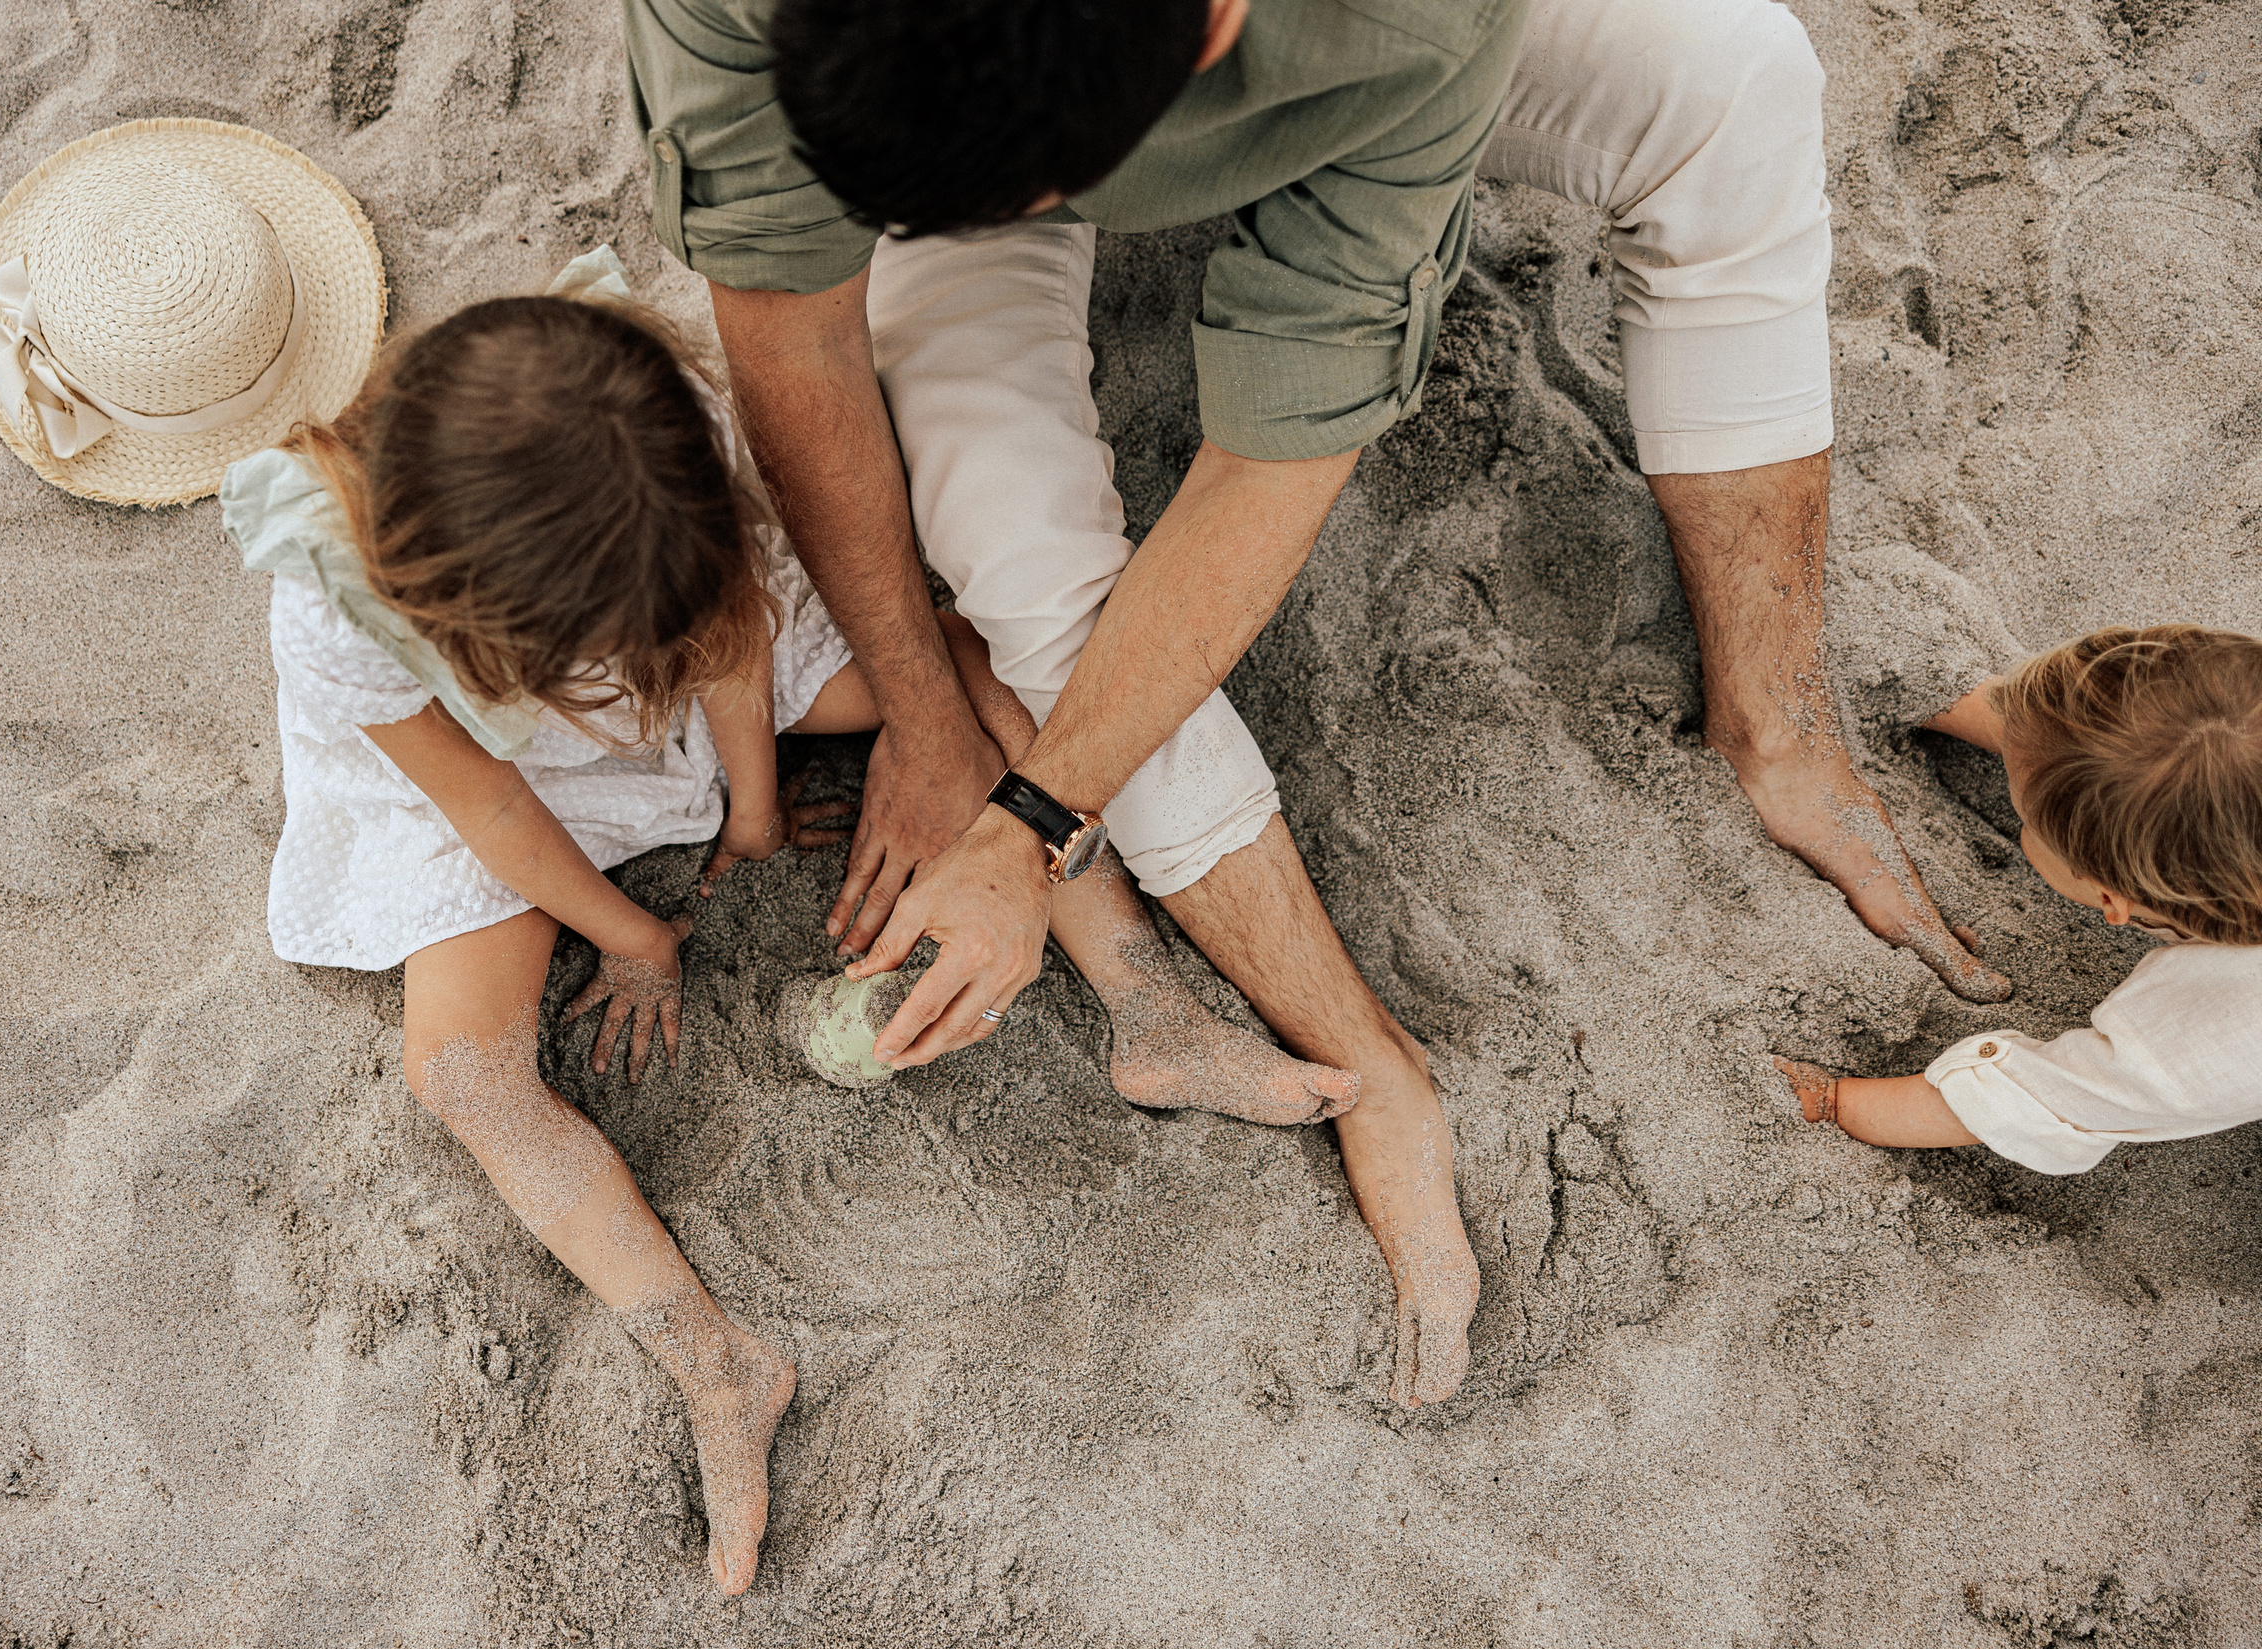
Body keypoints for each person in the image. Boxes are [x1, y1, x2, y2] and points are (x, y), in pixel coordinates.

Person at [620, 0, 2000, 1403]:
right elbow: (794, 340)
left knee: (1733, 78)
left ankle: (1778, 718)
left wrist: (1028, 818)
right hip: (981, 109)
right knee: (1011, 542)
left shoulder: (1402, 19)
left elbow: (1268, 462)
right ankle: (1370, 1061)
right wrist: (924, 715)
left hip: (1302, 65)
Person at [225, 256, 1372, 1589]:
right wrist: (633, 936)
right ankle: (715, 1361)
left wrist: (752, 814)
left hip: (648, 665)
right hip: (499, 775)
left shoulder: (651, 441)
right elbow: (491, 811)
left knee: (978, 672)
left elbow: (726, 639)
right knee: (460, 1071)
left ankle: (1151, 1010)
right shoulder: (340, 599)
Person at [1777, 628, 2262, 1172]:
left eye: (2027, 819)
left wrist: (1833, 1101)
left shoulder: (2208, 1032)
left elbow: (2034, 1096)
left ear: (2109, 896)